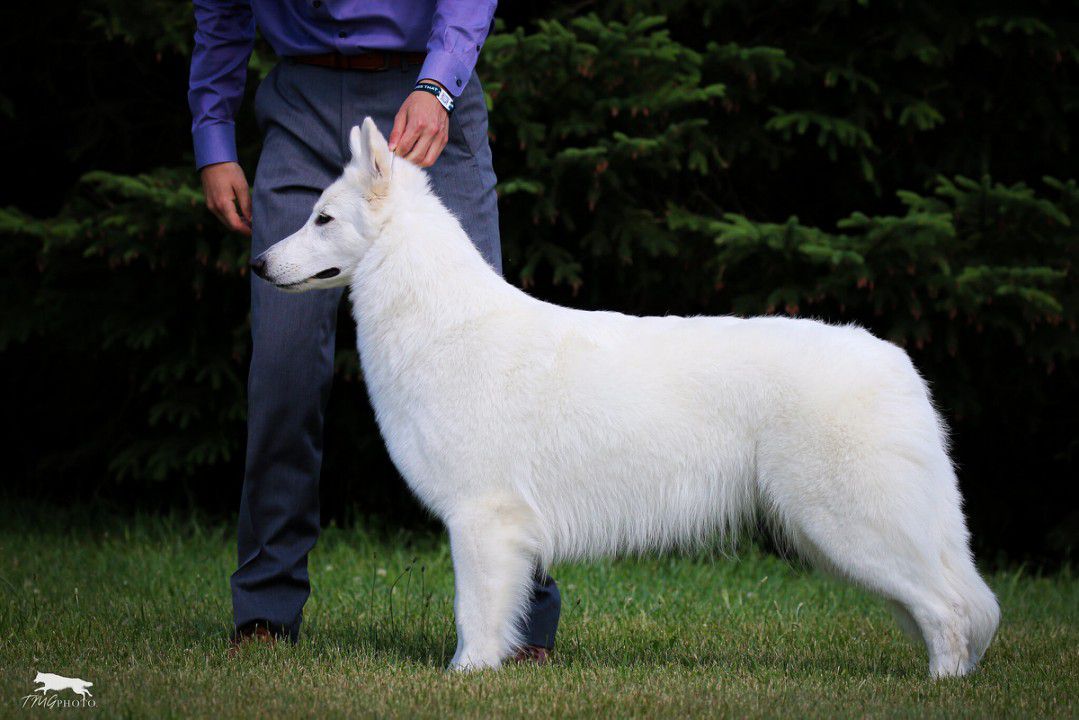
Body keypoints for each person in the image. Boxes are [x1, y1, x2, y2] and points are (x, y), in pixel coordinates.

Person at [187, 0, 560, 662]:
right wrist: (213, 135)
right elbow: (221, 12)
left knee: (490, 377)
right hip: (298, 105)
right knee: (283, 370)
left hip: (422, 103)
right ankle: (266, 610)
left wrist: (437, 84)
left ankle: (521, 620)